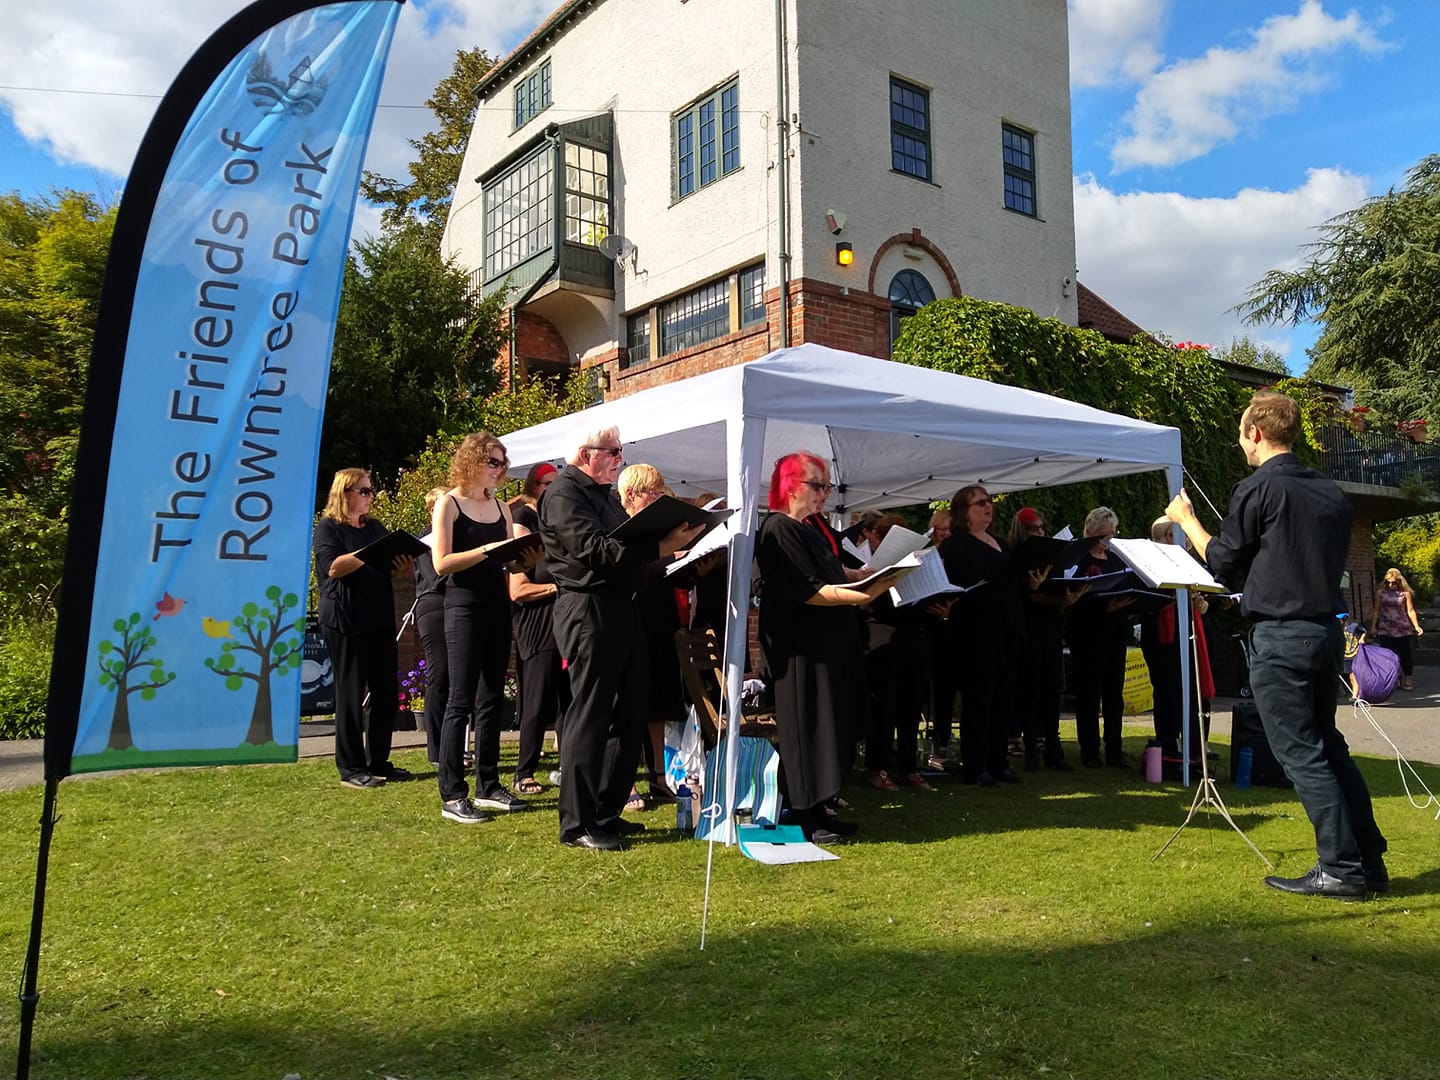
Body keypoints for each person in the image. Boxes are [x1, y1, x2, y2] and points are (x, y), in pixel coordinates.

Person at [1167, 389, 1388, 900]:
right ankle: (1368, 861)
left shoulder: (1258, 487)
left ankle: (1340, 867)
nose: (1240, 441)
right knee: (1330, 748)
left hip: (1282, 639)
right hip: (1326, 634)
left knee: (1301, 755)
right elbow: (1287, 562)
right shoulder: (1331, 493)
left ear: (1257, 433)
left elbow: (1222, 562)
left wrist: (1186, 521)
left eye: (1242, 432)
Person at [539, 426, 703, 851]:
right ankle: (577, 823)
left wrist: (679, 551)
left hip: (622, 609)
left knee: (628, 714)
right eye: (611, 451)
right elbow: (595, 552)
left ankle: (606, 812)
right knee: (590, 716)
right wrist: (661, 546)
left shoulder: (604, 496)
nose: (618, 458)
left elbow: (626, 554)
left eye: (621, 451)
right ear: (583, 452)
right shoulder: (563, 494)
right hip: (588, 610)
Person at [756, 452, 893, 843]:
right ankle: (803, 814)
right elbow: (809, 590)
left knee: (826, 724)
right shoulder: (778, 528)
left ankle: (819, 807)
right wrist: (862, 594)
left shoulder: (811, 527)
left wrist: (863, 576)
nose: (824, 493)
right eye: (817, 485)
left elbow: (831, 573)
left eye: (826, 486)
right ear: (790, 485)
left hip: (827, 643)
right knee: (805, 726)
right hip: (800, 647)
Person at [430, 432, 532, 825]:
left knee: (492, 698)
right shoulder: (449, 503)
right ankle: (452, 794)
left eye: (503, 463)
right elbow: (442, 563)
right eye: (493, 461)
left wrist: (525, 558)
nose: (499, 469)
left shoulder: (504, 509)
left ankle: (488, 785)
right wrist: (485, 551)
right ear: (472, 461)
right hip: (463, 607)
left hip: (497, 606)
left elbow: (510, 562)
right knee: (461, 699)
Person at [312, 468, 415, 789]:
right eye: (365, 491)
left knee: (386, 693)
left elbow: (386, 564)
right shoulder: (328, 529)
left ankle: (378, 761)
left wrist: (401, 562)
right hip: (345, 619)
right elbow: (333, 567)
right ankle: (351, 767)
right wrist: (368, 554)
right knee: (350, 693)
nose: (371, 496)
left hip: (379, 617)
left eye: (371, 491)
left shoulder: (375, 528)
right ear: (345, 495)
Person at [939, 484, 1028, 786]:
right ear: (964, 512)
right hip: (976, 633)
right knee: (980, 701)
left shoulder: (1001, 543)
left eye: (989, 502)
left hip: (1008, 630)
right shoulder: (955, 546)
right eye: (980, 503)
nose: (988, 507)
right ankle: (976, 766)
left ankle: (998, 760)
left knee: (1004, 699)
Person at [1008, 506, 1084, 770]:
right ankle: (1031, 750)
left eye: (1042, 528)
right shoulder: (1016, 558)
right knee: (1031, 691)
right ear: (1022, 532)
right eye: (1034, 529)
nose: (1040, 532)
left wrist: (1067, 598)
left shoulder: (1050, 557)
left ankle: (1054, 748)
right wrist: (1043, 592)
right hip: (1028, 632)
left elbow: (1049, 594)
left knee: (1053, 691)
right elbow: (1027, 597)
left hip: (1051, 630)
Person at [508, 463, 566, 795]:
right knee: (537, 699)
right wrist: (557, 588)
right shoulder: (524, 536)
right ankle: (524, 771)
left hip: (563, 623)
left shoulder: (558, 532)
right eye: (549, 485)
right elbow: (518, 590)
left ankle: (567, 764)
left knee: (567, 698)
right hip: (537, 624)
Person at [1138, 516, 1213, 768]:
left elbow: (1203, 601)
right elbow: (1144, 599)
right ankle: (1168, 746)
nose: (1178, 540)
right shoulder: (1149, 562)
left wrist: (1200, 602)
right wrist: (1174, 597)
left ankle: (1194, 749)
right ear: (1160, 536)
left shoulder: (1190, 562)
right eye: (1171, 534)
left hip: (1189, 632)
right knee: (1167, 692)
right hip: (1161, 637)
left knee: (1192, 692)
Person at [1065, 507, 1134, 769]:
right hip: (1087, 634)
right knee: (1089, 694)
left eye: (1113, 533)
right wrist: (1103, 607)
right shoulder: (1079, 560)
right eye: (1105, 534)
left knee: (1114, 695)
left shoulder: (1116, 559)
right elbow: (1071, 597)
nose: (1110, 539)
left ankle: (1115, 750)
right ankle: (1090, 750)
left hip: (1115, 633)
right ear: (1091, 533)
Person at [413, 486, 451, 768]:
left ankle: (455, 745)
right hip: (434, 607)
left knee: (457, 679)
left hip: (455, 607)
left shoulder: (455, 537)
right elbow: (435, 577)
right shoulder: (425, 542)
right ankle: (436, 749)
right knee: (439, 674)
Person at [1371, 567, 1424, 691]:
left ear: (1399, 582)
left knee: (1405, 655)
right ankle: (1394, 678)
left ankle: (1408, 678)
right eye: (1387, 582)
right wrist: (1373, 626)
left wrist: (1416, 626)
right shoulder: (1381, 593)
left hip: (1402, 628)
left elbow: (1410, 610)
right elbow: (1376, 610)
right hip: (1385, 627)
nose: (1390, 585)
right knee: (1388, 656)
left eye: (1393, 583)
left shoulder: (1405, 594)